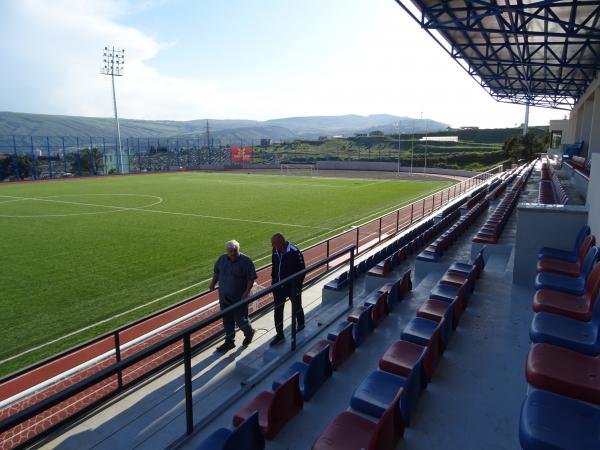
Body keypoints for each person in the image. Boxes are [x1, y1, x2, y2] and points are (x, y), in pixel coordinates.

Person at [209, 240, 257, 352]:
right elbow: (217, 273)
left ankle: (249, 332)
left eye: (235, 250)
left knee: (241, 320)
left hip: (239, 299)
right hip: (224, 297)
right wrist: (212, 283)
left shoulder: (246, 261)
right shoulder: (221, 259)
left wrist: (246, 292)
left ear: (238, 249)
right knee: (227, 321)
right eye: (230, 251)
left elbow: (251, 278)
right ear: (227, 251)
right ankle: (229, 341)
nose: (233, 253)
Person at [269, 233, 306, 346]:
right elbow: (275, 266)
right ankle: (279, 334)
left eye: (274, 244)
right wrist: (274, 281)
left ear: (281, 243)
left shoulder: (295, 252)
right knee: (278, 310)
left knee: (296, 306)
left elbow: (302, 271)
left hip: (292, 287)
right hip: (278, 287)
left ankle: (300, 323)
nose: (273, 246)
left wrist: (296, 286)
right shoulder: (275, 250)